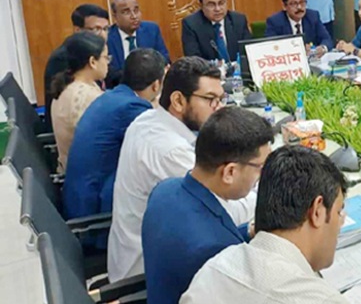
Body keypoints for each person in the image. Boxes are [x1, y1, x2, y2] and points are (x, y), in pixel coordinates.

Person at [180, 146, 361, 304]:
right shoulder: (320, 303)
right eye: (339, 212)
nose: (340, 223)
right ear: (318, 211)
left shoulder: (213, 269)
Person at [107, 57, 255, 282]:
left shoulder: (149, 119)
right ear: (178, 101)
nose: (219, 109)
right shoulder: (169, 151)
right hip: (147, 275)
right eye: (210, 100)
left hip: (153, 252)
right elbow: (227, 214)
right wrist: (263, 181)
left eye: (220, 99)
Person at [143, 107, 274, 304]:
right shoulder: (216, 250)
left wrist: (248, 231)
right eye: (261, 168)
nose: (262, 176)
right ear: (230, 172)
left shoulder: (165, 190)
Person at [63, 49, 166, 226]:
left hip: (79, 197)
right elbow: (162, 145)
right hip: (94, 211)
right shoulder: (132, 108)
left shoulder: (112, 96)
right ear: (156, 85)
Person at [44, 4, 111, 129]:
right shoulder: (64, 58)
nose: (102, 35)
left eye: (105, 29)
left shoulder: (97, 51)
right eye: (96, 29)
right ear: (78, 30)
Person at [49, 32, 109, 173]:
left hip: (73, 169)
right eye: (106, 58)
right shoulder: (87, 97)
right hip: (87, 175)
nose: (108, 63)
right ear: (92, 62)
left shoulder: (69, 85)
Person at [181, 0, 252, 62]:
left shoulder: (238, 20)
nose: (217, 9)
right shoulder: (191, 25)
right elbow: (194, 61)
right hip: (208, 69)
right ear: (201, 6)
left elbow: (249, 52)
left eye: (221, 3)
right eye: (211, 5)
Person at [107, 0, 170, 72]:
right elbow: (109, 71)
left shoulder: (151, 30)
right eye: (126, 12)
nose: (134, 16)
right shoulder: (107, 37)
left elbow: (164, 59)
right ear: (115, 17)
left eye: (136, 10)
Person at [265, 0, 334, 53]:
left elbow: (327, 39)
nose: (299, 7)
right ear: (284, 6)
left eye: (302, 2)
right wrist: (297, 50)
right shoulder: (275, 22)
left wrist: (322, 48)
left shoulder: (313, 17)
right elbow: (271, 47)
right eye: (294, 4)